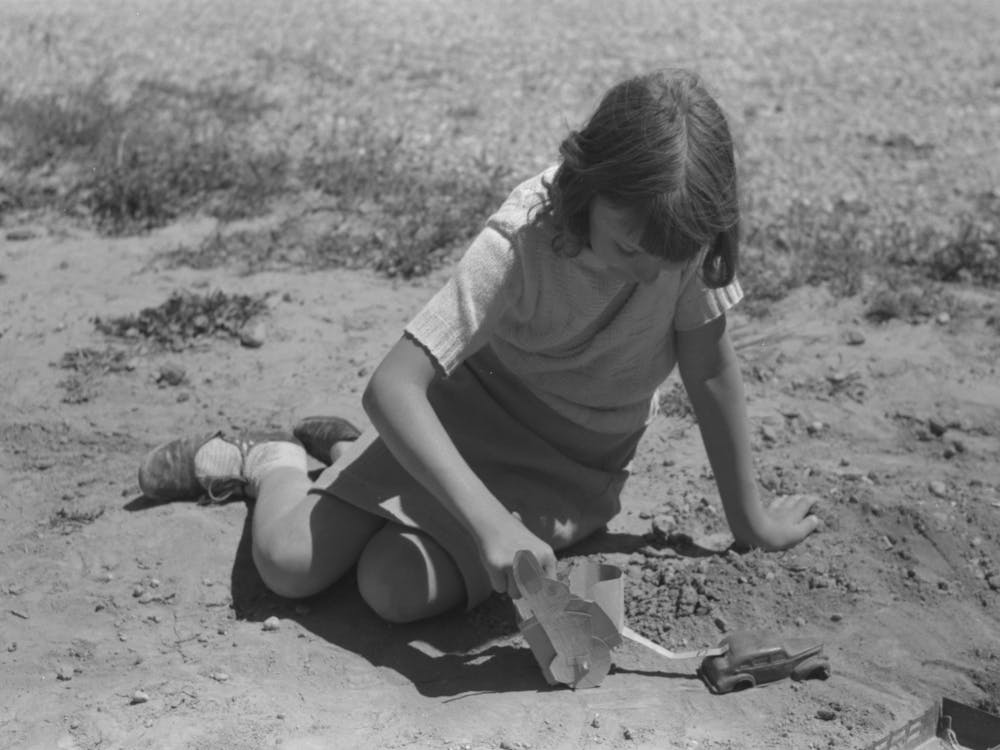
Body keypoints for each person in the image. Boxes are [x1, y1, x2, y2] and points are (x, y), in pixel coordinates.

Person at [138, 68, 821, 625]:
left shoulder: (680, 240)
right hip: (464, 423)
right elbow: (393, 387)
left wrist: (750, 519)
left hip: (570, 471)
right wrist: (492, 526)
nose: (650, 274)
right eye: (629, 248)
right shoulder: (524, 235)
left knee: (393, 587)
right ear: (590, 187)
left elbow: (709, 372)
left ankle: (351, 457)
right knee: (289, 564)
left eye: (669, 262)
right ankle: (275, 460)